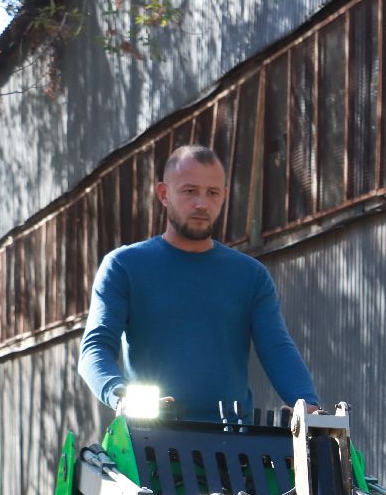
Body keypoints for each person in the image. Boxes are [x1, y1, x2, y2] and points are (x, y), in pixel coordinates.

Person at [77, 145, 321, 421]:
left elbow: (277, 348)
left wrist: (307, 403)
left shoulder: (250, 276)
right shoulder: (123, 266)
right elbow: (95, 348)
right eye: (190, 191)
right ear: (163, 194)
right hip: (148, 441)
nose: (202, 204)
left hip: (236, 449)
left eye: (212, 193)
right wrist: (121, 395)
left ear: (224, 197)